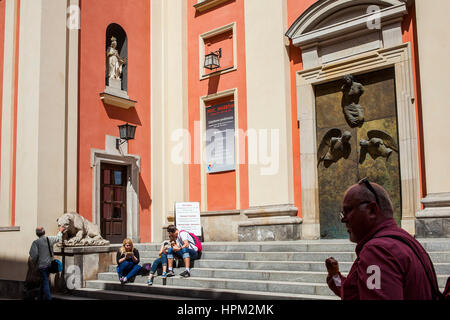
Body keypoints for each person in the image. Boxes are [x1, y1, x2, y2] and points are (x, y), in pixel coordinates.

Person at [325, 178, 440, 300]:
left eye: (348, 211)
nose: (343, 219)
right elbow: (354, 292)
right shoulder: (408, 242)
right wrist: (334, 276)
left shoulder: (377, 251)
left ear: (372, 210)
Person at [29, 226, 66, 300]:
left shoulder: (36, 242)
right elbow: (58, 238)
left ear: (37, 234)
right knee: (44, 282)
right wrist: (60, 231)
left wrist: (34, 263)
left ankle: (48, 298)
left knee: (45, 282)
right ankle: (39, 298)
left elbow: (34, 255)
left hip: (42, 266)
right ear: (44, 232)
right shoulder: (49, 239)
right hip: (50, 265)